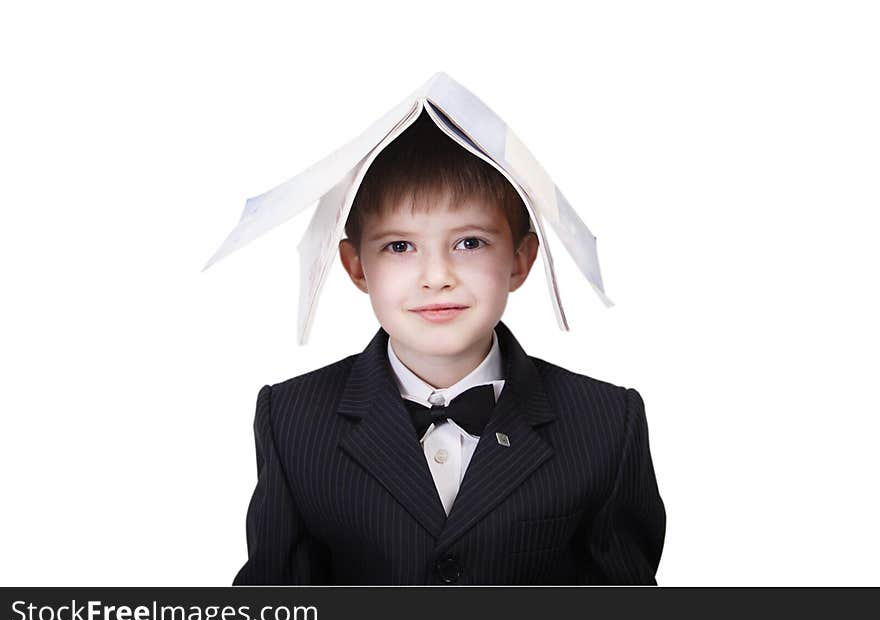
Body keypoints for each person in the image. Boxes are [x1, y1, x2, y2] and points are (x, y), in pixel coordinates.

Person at [232, 112, 666, 585]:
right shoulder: (293, 418)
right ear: (357, 268)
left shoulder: (605, 420)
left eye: (469, 242)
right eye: (399, 247)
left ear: (520, 260)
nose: (436, 276)